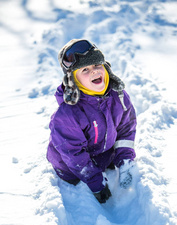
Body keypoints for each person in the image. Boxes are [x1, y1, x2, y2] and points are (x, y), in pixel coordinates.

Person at [47, 39, 137, 203]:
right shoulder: (68, 114)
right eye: (85, 70)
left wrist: (125, 160)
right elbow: (73, 154)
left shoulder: (119, 97)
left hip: (103, 154)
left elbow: (126, 129)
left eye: (97, 65)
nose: (94, 71)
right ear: (74, 79)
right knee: (76, 185)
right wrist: (96, 183)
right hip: (71, 167)